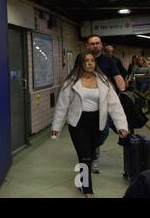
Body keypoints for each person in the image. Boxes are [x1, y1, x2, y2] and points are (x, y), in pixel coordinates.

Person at [51, 52, 129, 198]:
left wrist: (121, 125)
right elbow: (62, 106)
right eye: (86, 60)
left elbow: (114, 105)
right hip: (78, 123)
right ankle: (87, 189)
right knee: (85, 155)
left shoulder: (104, 81)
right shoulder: (71, 82)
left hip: (97, 123)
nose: (90, 63)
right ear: (80, 63)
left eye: (92, 60)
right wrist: (56, 127)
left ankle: (81, 180)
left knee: (88, 155)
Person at [85, 35, 126, 173]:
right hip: (88, 103)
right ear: (87, 46)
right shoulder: (83, 61)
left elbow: (117, 76)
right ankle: (93, 159)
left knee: (103, 132)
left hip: (104, 103)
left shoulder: (109, 61)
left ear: (101, 45)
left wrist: (122, 88)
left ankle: (92, 148)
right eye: (92, 44)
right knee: (91, 131)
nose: (95, 46)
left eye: (97, 43)